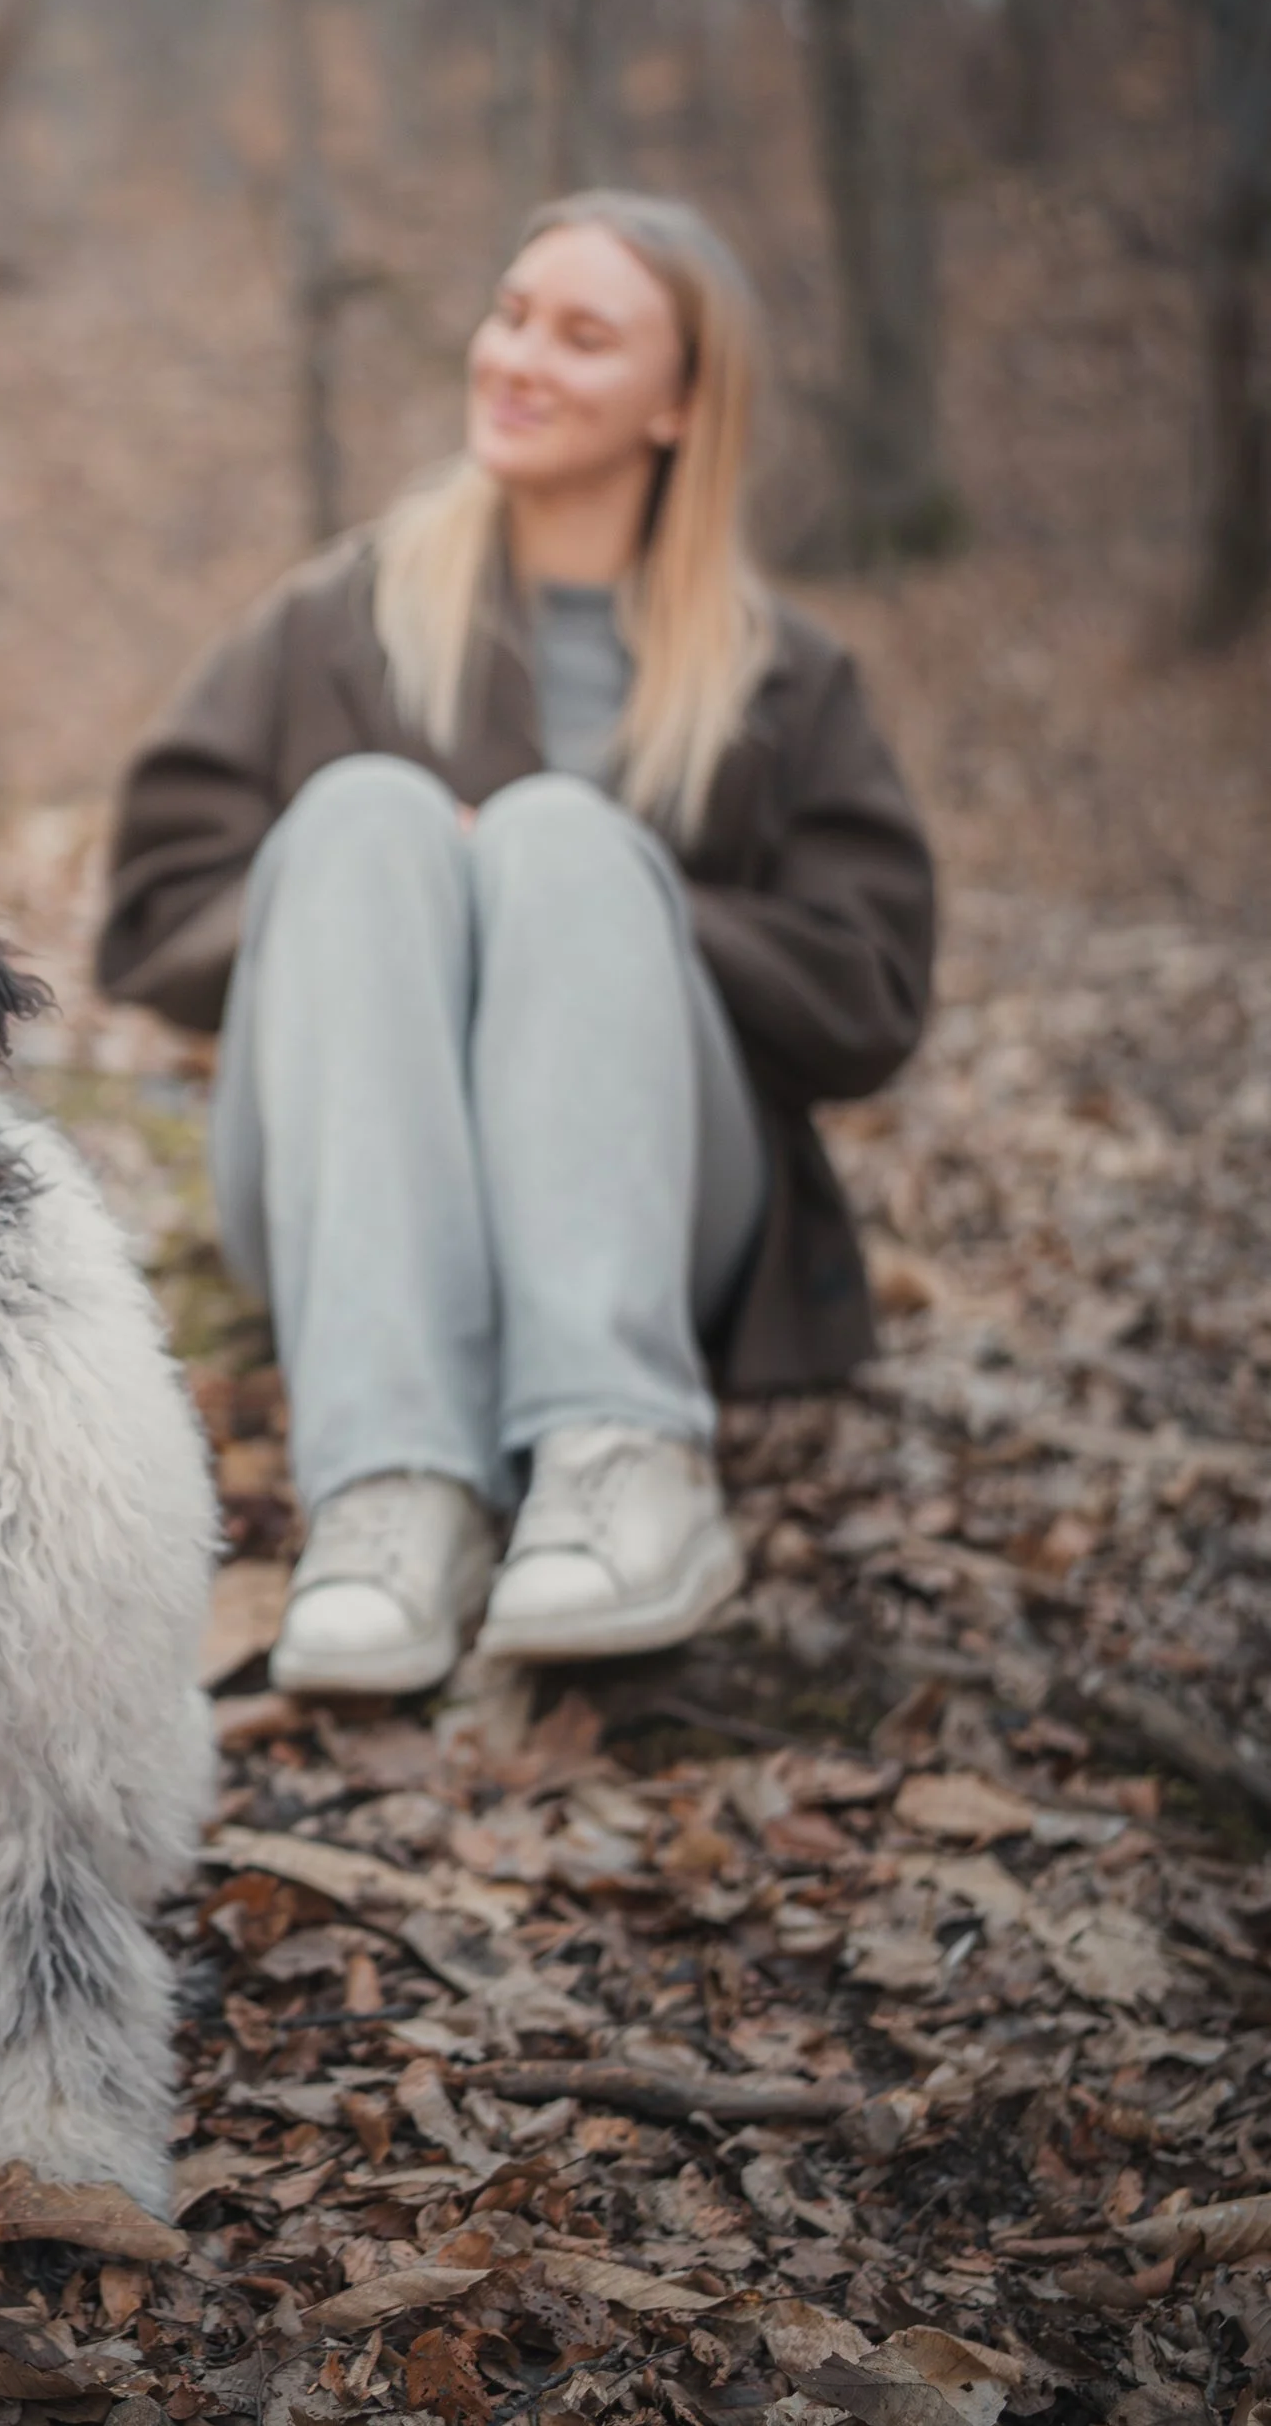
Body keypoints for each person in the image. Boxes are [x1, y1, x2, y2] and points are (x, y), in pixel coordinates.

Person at [95, 190, 936, 1697]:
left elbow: (869, 993)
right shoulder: (337, 617)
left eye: (584, 334)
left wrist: (614, 899)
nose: (520, 356)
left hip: (669, 1207)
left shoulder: (784, 674)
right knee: (362, 818)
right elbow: (156, 904)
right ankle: (390, 1494)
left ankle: (625, 1457)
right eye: (511, 313)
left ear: (680, 403)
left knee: (556, 839)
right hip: (349, 1188)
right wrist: (384, 894)